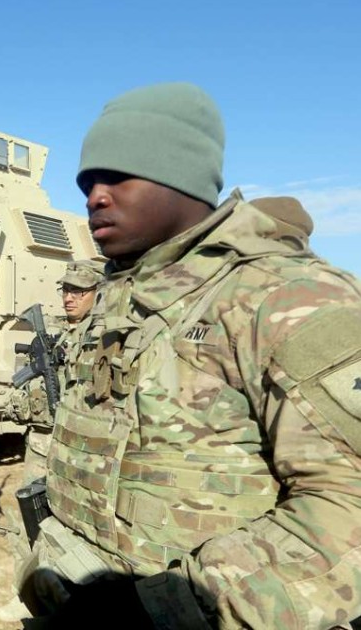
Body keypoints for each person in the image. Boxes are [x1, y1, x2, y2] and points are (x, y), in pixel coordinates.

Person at [19, 82, 361, 629]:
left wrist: (168, 607)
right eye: (87, 181)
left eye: (118, 175)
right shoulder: (122, 295)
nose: (94, 196)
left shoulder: (284, 299)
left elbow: (347, 511)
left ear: (180, 177)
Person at [0, 260, 104, 622]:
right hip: (42, 442)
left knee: (72, 524)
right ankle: (26, 589)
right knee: (28, 515)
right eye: (66, 289)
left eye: (79, 291)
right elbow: (25, 381)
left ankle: (66, 595)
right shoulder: (54, 333)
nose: (69, 297)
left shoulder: (104, 335)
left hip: (83, 449)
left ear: (98, 293)